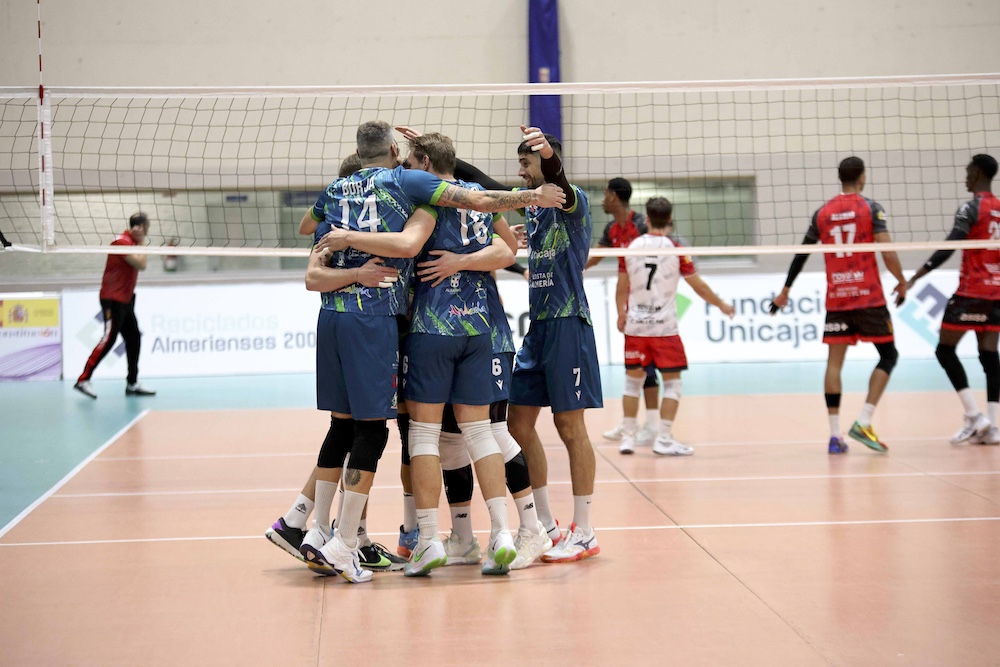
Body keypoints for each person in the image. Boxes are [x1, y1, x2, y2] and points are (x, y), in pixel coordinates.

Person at [297, 121, 563, 583]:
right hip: (480, 326)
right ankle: (502, 532)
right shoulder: (455, 193)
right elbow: (502, 241)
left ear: (420, 163)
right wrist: (528, 200)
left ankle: (424, 538)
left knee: (417, 435)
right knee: (482, 432)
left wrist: (348, 237)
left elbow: (401, 243)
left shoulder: (412, 200)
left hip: (426, 326)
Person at [507, 127, 603, 563]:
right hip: (539, 327)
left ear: (546, 163)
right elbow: (485, 189)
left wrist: (548, 154)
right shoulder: (533, 207)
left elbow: (559, 182)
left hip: (568, 325)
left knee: (569, 426)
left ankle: (584, 531)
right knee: (517, 424)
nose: (520, 172)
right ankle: (545, 525)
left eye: (526, 164)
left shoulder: (570, 198)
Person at [771, 157, 906, 454]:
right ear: (862, 177)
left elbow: (801, 254)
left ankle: (835, 436)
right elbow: (887, 250)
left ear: (840, 177)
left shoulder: (822, 213)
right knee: (889, 355)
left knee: (834, 363)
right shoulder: (870, 208)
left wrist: (785, 290)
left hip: (838, 298)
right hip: (868, 296)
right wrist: (901, 280)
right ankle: (864, 421)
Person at [616, 197, 735, 455]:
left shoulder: (631, 247)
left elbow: (621, 286)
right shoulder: (676, 249)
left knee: (631, 383)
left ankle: (627, 438)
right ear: (670, 219)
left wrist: (620, 314)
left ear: (647, 218)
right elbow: (698, 286)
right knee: (672, 384)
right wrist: (721, 304)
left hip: (636, 327)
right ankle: (664, 438)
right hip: (664, 329)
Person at [905, 154, 1000, 445]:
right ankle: (992, 427)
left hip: (972, 292)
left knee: (944, 351)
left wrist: (916, 276)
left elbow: (950, 245)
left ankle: (975, 416)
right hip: (997, 293)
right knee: (989, 355)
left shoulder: (971, 208)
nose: (965, 176)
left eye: (969, 171)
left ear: (978, 172)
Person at [586, 177, 660, 445]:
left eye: (605, 194)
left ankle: (652, 424)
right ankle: (634, 422)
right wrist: (568, 265)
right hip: (630, 303)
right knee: (637, 364)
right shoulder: (612, 229)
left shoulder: (640, 225)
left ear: (614, 196)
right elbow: (596, 258)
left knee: (646, 365)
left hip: (649, 302)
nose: (602, 200)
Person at [74, 212, 156, 399]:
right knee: (109, 338)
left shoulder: (132, 244)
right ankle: (83, 380)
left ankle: (132, 383)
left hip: (126, 300)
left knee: (134, 338)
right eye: (145, 228)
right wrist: (143, 243)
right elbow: (141, 264)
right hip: (113, 299)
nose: (146, 232)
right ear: (139, 227)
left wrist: (140, 244)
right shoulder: (121, 242)